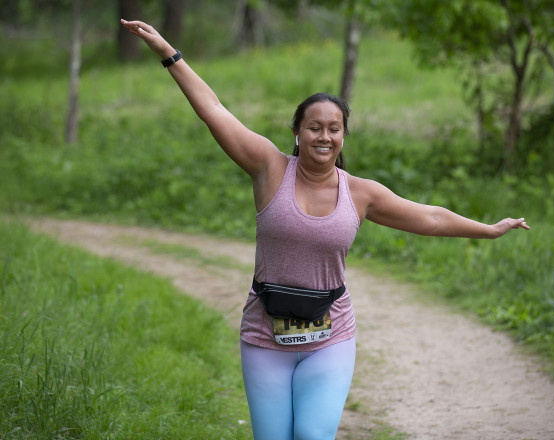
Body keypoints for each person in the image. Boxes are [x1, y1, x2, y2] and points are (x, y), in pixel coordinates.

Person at [120, 19, 530, 440]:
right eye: (314, 127)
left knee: (314, 436)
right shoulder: (268, 167)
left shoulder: (361, 193)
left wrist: (489, 229)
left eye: (334, 129)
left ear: (343, 136)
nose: (324, 136)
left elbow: (431, 217)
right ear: (297, 132)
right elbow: (214, 109)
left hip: (331, 336)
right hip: (265, 336)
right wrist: (169, 53)